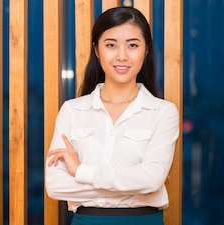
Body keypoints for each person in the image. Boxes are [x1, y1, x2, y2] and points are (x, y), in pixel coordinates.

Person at [45, 6, 179, 225]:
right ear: (97, 50)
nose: (122, 56)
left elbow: (152, 180)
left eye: (133, 45)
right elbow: (56, 185)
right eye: (111, 45)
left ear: (146, 50)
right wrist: (134, 186)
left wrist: (80, 170)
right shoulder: (72, 111)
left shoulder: (163, 112)